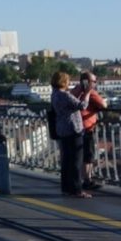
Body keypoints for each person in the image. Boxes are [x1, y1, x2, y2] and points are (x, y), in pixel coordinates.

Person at [51, 70, 91, 198]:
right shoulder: (65, 95)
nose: (69, 82)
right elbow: (83, 106)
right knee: (76, 161)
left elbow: (71, 105)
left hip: (62, 130)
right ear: (63, 82)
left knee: (66, 160)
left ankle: (66, 188)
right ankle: (77, 190)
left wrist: (78, 93)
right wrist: (88, 92)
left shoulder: (55, 94)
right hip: (73, 129)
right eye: (67, 80)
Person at [73, 71, 107, 190]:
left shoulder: (75, 90)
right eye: (94, 81)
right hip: (87, 127)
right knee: (88, 155)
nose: (95, 83)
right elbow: (103, 105)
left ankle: (81, 179)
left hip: (76, 127)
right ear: (88, 82)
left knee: (81, 155)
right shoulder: (91, 93)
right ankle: (87, 180)